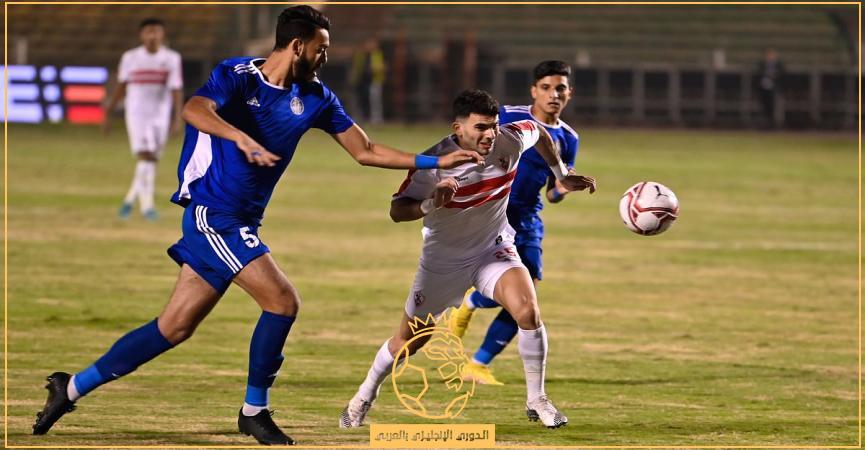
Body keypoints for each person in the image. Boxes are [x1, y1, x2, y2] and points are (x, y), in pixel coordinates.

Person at [32, 6, 481, 445]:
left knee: (174, 327)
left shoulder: (318, 97)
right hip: (214, 214)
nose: (326, 58)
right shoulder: (238, 75)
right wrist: (239, 135)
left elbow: (364, 150)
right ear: (298, 45)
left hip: (242, 220)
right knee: (283, 302)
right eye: (321, 49)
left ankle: (70, 387)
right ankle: (254, 412)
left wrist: (435, 161)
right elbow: (195, 109)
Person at [339, 89, 595, 429]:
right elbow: (397, 210)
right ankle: (363, 397)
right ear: (458, 128)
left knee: (528, 311)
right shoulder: (434, 163)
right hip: (443, 261)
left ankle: (538, 399)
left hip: (493, 248)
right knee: (409, 342)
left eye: (492, 126)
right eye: (480, 128)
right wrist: (431, 204)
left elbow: (542, 133)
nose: (489, 134)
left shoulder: (511, 137)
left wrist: (559, 173)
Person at [448, 60, 581, 386]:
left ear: (569, 93)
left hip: (528, 218)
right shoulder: (509, 116)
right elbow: (465, 139)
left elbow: (553, 191)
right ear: (534, 90)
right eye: (547, 88)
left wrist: (562, 189)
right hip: (491, 213)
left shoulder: (569, 138)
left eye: (560, 88)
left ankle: (477, 363)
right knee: (507, 291)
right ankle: (469, 302)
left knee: (528, 295)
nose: (554, 95)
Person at [103, 17, 184, 221]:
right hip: (137, 114)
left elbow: (176, 89)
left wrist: (177, 117)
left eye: (156, 31)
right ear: (141, 35)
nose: (152, 35)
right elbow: (121, 85)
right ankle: (147, 206)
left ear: (162, 34)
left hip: (160, 114)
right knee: (146, 155)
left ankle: (130, 200)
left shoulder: (171, 58)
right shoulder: (131, 57)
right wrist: (109, 111)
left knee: (152, 159)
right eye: (148, 31)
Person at [349, 38, 386, 124]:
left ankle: (376, 119)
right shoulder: (360, 54)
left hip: (374, 80)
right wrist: (353, 78)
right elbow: (356, 67)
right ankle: (359, 118)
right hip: (361, 81)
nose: (369, 46)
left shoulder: (377, 54)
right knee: (360, 100)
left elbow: (382, 67)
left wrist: (377, 69)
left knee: (375, 101)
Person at [756, 48, 784, 129]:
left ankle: (773, 124)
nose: (770, 57)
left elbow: (782, 73)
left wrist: (774, 76)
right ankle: (764, 123)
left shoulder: (779, 64)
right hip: (763, 87)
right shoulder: (762, 64)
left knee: (773, 105)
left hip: (774, 88)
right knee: (764, 106)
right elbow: (758, 73)